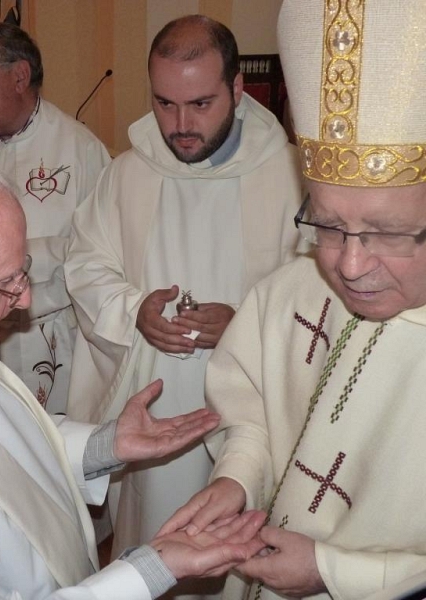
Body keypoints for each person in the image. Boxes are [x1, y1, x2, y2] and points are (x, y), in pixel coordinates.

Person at [0, 145, 269, 599]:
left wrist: (103, 445)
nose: (24, 300)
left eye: (23, 275)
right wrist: (152, 569)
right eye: (6, 283)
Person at [159, 2, 426, 599]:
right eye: (327, 226)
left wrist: (337, 572)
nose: (349, 266)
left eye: (385, 231)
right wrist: (237, 480)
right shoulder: (294, 287)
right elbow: (252, 410)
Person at [64, 14, 303, 598]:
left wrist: (246, 325)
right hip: (159, 399)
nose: (180, 125)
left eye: (200, 104)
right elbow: (86, 263)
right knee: (159, 533)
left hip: (253, 406)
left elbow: (320, 294)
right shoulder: (128, 173)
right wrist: (133, 311)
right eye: (165, 104)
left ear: (238, 90)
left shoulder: (292, 176)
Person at [0, 22, 110, 415]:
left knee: (57, 452)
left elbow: (103, 251)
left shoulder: (81, 150)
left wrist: (18, 269)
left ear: (19, 75)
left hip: (54, 335)